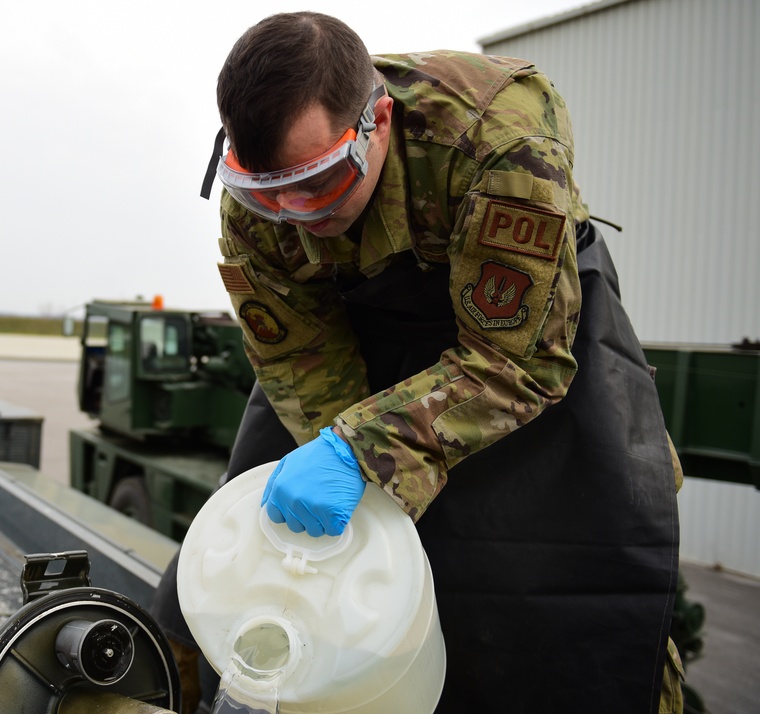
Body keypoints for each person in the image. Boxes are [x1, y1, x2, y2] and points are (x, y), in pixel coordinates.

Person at [154, 11, 684, 713]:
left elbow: (514, 363)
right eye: (265, 191)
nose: (292, 213)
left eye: (316, 183)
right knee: (265, 543)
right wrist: (349, 466)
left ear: (377, 121)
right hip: (358, 323)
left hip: (519, 334)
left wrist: (363, 451)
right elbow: (298, 357)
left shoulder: (500, 141)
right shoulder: (265, 196)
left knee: (562, 590)